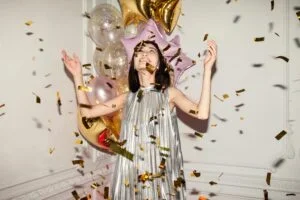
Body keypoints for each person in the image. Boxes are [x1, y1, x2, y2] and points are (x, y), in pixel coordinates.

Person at [62, 39, 217, 200]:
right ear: (134, 65)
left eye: (151, 51)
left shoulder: (169, 94)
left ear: (159, 64)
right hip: (129, 179)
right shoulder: (126, 98)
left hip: (159, 181)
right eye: (139, 52)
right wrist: (77, 77)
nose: (144, 54)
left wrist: (207, 70)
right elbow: (88, 113)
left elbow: (201, 113)